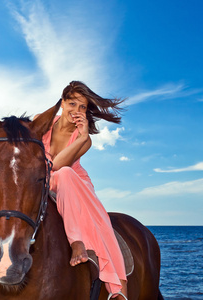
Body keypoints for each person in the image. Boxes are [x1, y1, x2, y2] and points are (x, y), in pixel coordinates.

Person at [35, 81, 127, 299]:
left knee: (100, 221)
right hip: (43, 180)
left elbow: (57, 166)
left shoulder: (83, 139)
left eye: (82, 107)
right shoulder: (43, 122)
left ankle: (117, 286)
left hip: (74, 182)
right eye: (72, 103)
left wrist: (84, 136)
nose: (76, 111)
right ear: (62, 103)